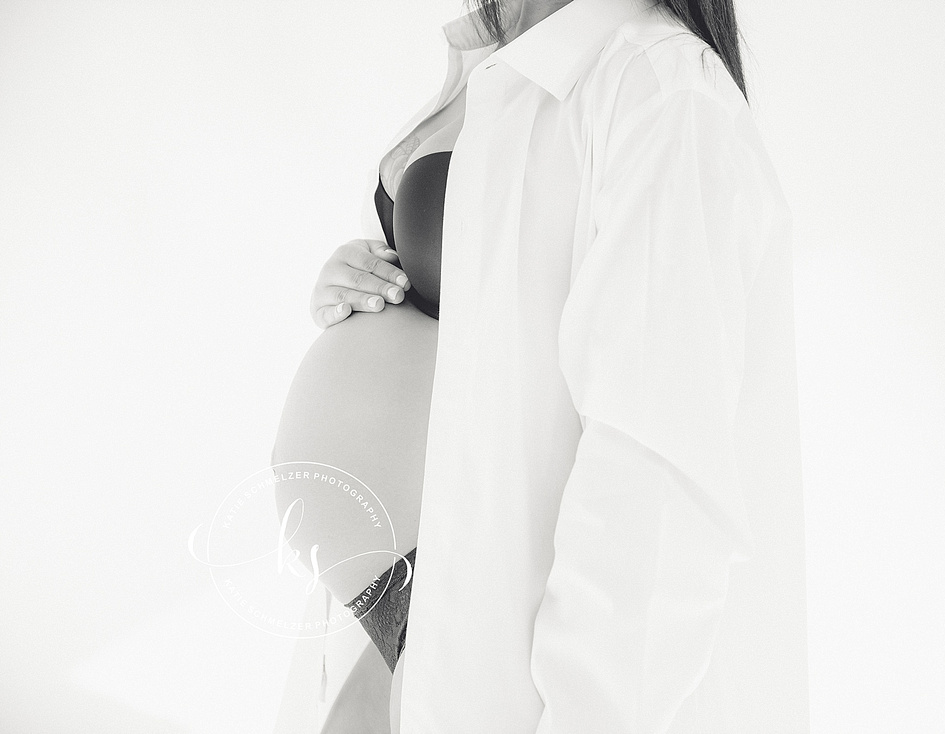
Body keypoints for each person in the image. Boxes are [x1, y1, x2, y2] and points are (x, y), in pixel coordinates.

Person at [272, 0, 809, 731]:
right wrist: (357, 284)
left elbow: (652, 484)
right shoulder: (502, 62)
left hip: (501, 638)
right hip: (403, 632)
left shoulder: (661, 90)